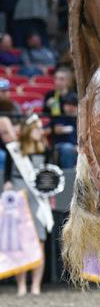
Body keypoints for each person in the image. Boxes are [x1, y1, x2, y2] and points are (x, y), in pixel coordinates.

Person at [4, 114, 54, 296]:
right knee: (21, 242)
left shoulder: (45, 150)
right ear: (28, 130)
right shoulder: (14, 150)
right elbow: (7, 177)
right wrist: (8, 186)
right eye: (37, 128)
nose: (41, 131)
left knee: (39, 241)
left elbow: (51, 176)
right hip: (19, 199)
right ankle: (21, 285)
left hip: (38, 201)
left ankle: (35, 286)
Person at [49, 92, 78, 168]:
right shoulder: (58, 118)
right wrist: (57, 130)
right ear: (64, 105)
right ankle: (69, 174)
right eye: (68, 104)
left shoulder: (81, 120)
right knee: (68, 148)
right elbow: (47, 130)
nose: (71, 107)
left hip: (78, 147)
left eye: (74, 105)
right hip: (61, 147)